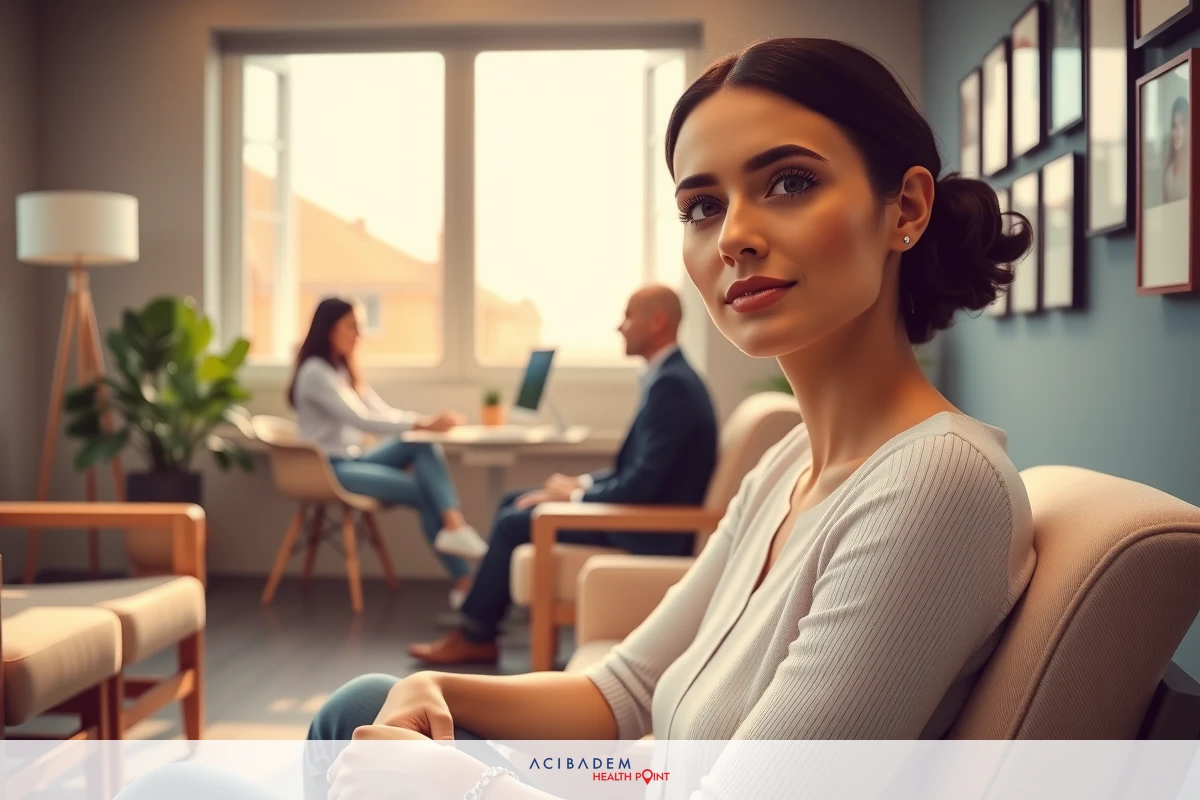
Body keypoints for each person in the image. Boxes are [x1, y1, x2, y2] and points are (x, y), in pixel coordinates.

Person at [115, 37, 1039, 800]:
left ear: (905, 209)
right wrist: (431, 685)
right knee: (373, 696)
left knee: (174, 788)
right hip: (632, 776)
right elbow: (624, 691)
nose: (735, 236)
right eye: (702, 205)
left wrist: (451, 786)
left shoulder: (934, 484)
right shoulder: (788, 466)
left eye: (790, 182)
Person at [408, 284, 719, 666]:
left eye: (628, 317)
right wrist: (580, 485)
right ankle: (480, 625)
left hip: (650, 530)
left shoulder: (672, 385)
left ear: (657, 322)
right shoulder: (670, 378)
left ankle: (475, 634)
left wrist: (573, 500)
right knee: (515, 501)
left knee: (512, 521)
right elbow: (639, 472)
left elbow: (643, 484)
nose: (619, 327)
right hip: (641, 511)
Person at [289, 297, 490, 608]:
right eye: (352, 326)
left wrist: (423, 427)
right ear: (329, 329)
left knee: (420, 445)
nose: (359, 334)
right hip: (329, 469)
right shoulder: (316, 373)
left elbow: (381, 412)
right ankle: (465, 580)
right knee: (423, 491)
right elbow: (362, 419)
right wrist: (423, 423)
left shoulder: (342, 369)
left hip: (355, 459)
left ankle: (455, 526)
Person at [1163, 95, 1190, 204]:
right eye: (1174, 126)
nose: (1177, 132)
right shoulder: (1169, 168)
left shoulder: (1192, 166)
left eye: (1181, 124)